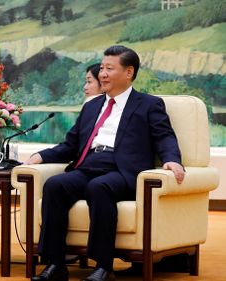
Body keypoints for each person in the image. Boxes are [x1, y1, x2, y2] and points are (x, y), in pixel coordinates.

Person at [24, 45, 185, 281]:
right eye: (101, 68)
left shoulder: (149, 104)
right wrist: (41, 156)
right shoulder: (92, 106)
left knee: (99, 187)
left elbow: (164, 136)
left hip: (123, 170)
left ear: (129, 72)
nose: (103, 74)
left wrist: (172, 160)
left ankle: (102, 266)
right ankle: (55, 264)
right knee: (55, 186)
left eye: (110, 68)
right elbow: (70, 145)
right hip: (89, 164)